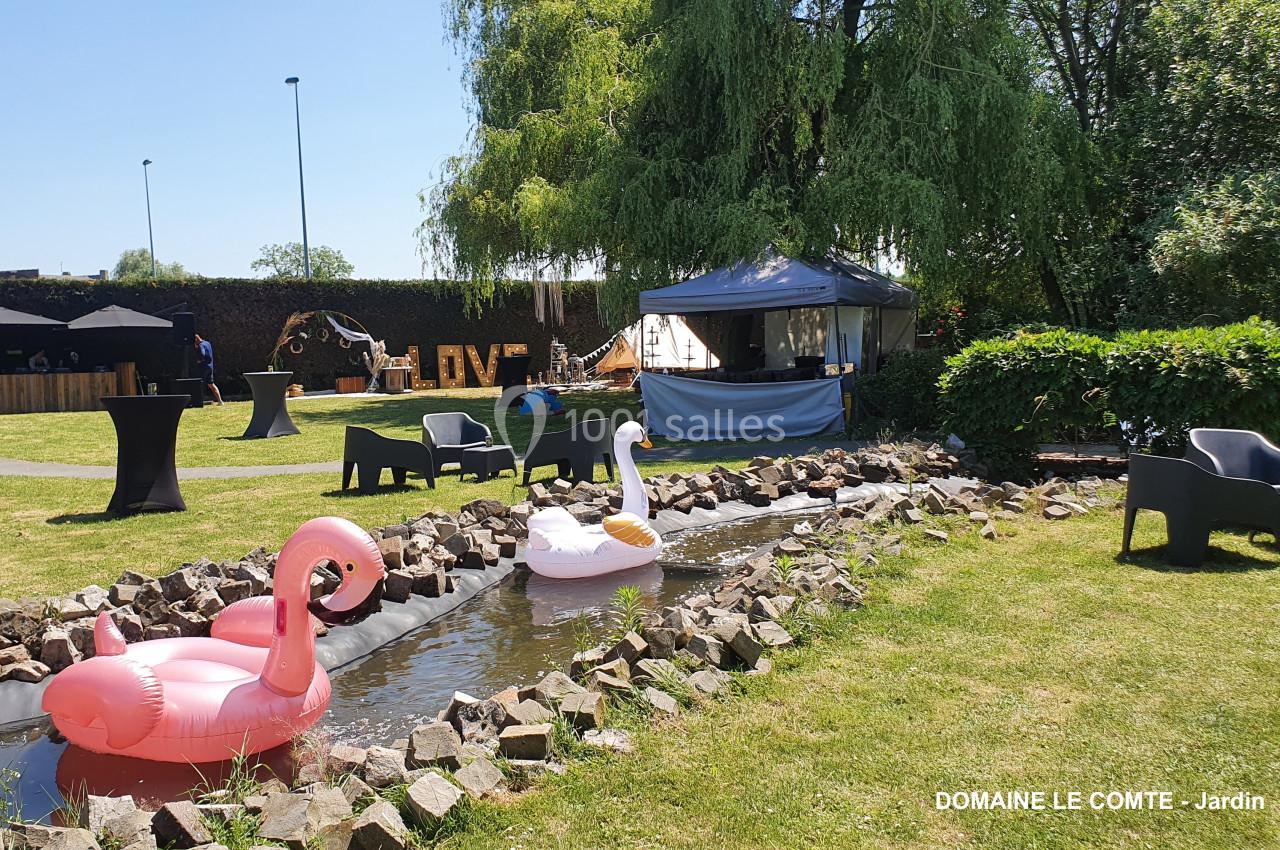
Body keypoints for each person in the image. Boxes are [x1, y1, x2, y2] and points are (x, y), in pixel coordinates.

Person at [193, 333, 224, 405]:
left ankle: (199, 401)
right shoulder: (207, 343)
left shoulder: (201, 345)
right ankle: (220, 401)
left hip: (204, 367)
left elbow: (202, 354)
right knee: (211, 384)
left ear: (196, 339)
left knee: (200, 383)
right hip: (210, 367)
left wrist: (199, 360)